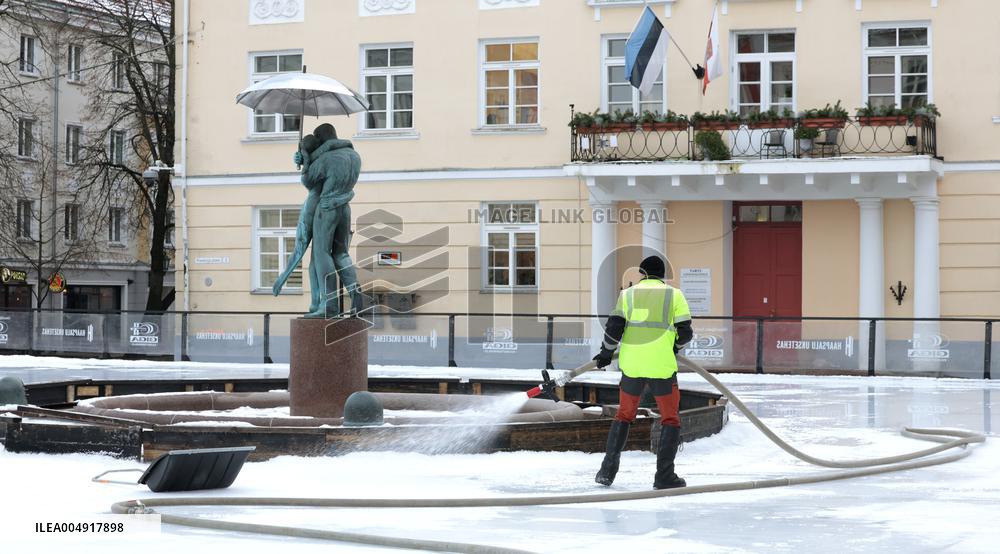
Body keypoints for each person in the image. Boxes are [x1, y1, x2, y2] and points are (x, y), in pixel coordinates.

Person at [593, 255, 693, 489]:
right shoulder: (674, 295)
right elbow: (686, 333)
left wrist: (606, 353)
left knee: (624, 415)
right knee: (670, 419)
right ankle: (664, 476)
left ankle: (607, 472)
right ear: (662, 275)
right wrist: (673, 347)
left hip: (632, 366)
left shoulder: (627, 295)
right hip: (662, 366)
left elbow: (614, 329)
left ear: (642, 273)